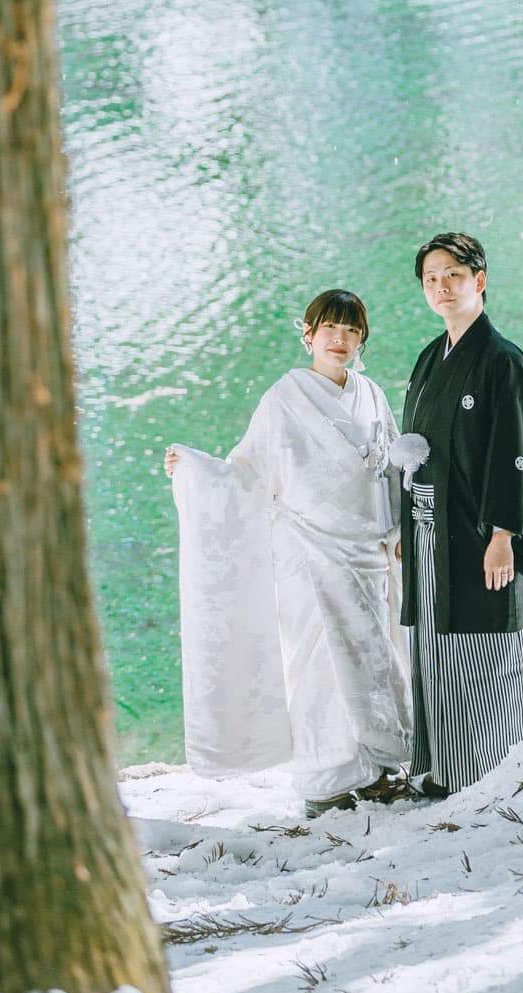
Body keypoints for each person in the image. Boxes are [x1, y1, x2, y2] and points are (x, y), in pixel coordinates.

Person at [164, 290, 411, 818]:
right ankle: (325, 780)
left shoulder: (372, 395)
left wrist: (400, 532)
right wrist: (197, 472)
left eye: (351, 331)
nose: (340, 340)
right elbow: (248, 472)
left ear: (361, 338)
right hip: (310, 552)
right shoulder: (284, 398)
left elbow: (391, 468)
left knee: (375, 657)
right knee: (320, 666)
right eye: (330, 330)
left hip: (368, 552)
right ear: (309, 335)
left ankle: (373, 769)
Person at [400, 232, 523, 798]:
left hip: (479, 534)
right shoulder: (429, 356)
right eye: (432, 279)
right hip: (430, 534)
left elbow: (515, 453)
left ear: (480, 281)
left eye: (454, 276)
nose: (442, 287)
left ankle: (494, 773)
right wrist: (404, 518)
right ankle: (445, 766)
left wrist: (504, 535)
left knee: (485, 650)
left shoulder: (503, 361)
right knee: (437, 647)